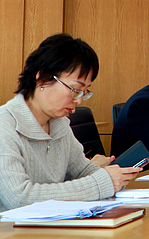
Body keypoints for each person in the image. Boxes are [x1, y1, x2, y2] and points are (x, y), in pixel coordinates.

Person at [0, 34, 141, 210]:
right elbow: (19, 197)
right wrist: (101, 183)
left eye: (84, 92)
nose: (79, 100)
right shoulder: (5, 126)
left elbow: (82, 171)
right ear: (42, 79)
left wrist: (115, 178)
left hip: (55, 223)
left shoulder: (59, 124)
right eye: (74, 89)